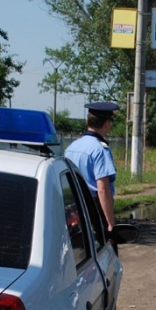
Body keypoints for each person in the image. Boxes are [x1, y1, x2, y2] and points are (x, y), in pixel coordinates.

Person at [64, 101, 119, 235]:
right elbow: (103, 189)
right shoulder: (100, 150)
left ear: (87, 121)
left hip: (73, 209)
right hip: (93, 210)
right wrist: (110, 222)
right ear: (106, 124)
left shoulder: (71, 147)